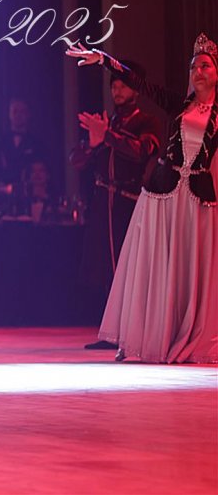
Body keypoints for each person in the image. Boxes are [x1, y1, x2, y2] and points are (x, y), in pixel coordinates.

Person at [67, 34, 217, 363]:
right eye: (194, 66)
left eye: (206, 66)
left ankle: (185, 332)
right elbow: (142, 84)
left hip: (197, 201)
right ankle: (148, 336)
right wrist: (104, 59)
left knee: (189, 269)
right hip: (164, 194)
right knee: (157, 264)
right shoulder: (180, 105)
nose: (198, 71)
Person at [69, 61, 161, 336]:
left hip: (128, 201)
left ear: (137, 90)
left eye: (124, 85)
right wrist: (94, 142)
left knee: (127, 263)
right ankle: (109, 331)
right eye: (114, 86)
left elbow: (142, 151)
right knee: (103, 266)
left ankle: (131, 331)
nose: (118, 90)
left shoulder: (147, 122)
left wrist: (107, 136)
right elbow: (76, 160)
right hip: (103, 201)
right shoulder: (107, 121)